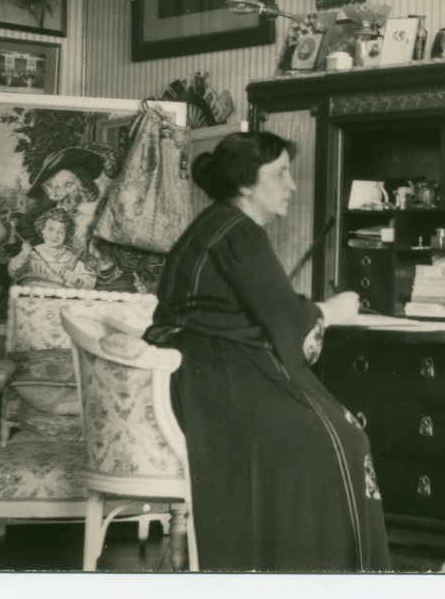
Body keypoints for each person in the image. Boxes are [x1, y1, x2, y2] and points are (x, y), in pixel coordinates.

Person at [143, 132, 390, 572]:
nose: (292, 185)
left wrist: (308, 311)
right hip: (216, 378)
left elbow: (268, 309)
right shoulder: (238, 232)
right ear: (245, 184)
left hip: (201, 372)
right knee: (342, 439)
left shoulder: (217, 223)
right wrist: (332, 311)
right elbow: (286, 321)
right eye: (280, 174)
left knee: (338, 433)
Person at [7, 207, 96, 289]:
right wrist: (23, 255)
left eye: (61, 232)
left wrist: (75, 280)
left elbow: (89, 282)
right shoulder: (31, 253)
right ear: (42, 229)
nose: (55, 236)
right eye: (50, 229)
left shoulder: (71, 258)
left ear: (66, 235)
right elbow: (14, 273)